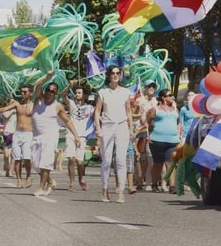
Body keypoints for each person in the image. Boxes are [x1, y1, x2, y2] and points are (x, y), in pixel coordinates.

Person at [31, 72, 80, 197]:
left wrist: (76, 135)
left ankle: (41, 187)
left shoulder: (58, 106)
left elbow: (67, 121)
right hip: (36, 137)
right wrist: (47, 77)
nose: (49, 93)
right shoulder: (38, 100)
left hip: (50, 137)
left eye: (52, 92)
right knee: (36, 165)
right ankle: (50, 181)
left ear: (55, 94)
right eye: (48, 90)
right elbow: (37, 85)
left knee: (45, 163)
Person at [94, 65, 134, 203]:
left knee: (121, 160)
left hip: (122, 126)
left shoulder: (125, 92)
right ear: (109, 75)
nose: (116, 75)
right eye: (113, 73)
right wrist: (98, 129)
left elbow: (128, 111)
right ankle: (104, 191)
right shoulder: (103, 92)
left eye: (118, 73)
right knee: (106, 161)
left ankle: (121, 192)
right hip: (107, 127)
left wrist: (131, 129)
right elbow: (97, 111)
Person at [0, 85, 34, 188]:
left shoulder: (34, 105)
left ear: (30, 93)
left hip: (29, 134)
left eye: (25, 92)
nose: (23, 94)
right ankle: (19, 180)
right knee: (17, 158)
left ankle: (28, 176)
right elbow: (5, 109)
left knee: (27, 158)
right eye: (22, 92)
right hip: (17, 133)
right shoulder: (17, 104)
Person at [61, 84, 94, 192]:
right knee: (71, 159)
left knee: (80, 162)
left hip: (82, 136)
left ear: (84, 95)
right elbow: (63, 95)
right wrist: (68, 86)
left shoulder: (90, 108)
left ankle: (81, 179)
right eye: (76, 92)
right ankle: (72, 183)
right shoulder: (71, 104)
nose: (77, 94)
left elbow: (96, 118)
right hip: (70, 134)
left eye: (79, 93)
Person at [146, 89, 180, 194]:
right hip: (157, 140)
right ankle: (155, 184)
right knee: (158, 164)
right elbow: (147, 123)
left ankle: (172, 186)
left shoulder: (175, 109)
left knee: (171, 163)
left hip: (172, 141)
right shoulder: (155, 109)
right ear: (163, 97)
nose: (172, 97)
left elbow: (178, 123)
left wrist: (179, 135)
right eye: (169, 95)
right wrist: (147, 136)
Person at [132, 80, 157, 191]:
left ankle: (148, 181)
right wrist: (140, 117)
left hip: (152, 131)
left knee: (150, 157)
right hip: (140, 130)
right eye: (149, 86)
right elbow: (132, 113)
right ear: (145, 88)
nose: (151, 88)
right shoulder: (139, 100)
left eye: (153, 86)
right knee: (141, 158)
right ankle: (139, 179)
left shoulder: (157, 101)